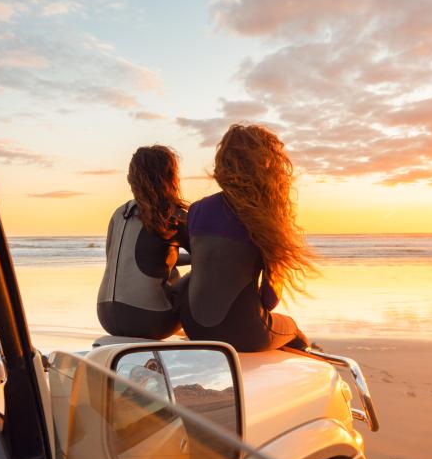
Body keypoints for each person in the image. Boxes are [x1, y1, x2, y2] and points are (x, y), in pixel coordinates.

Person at [179, 123, 314, 352]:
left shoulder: (196, 209)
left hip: (194, 328)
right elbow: (270, 299)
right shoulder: (264, 215)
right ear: (270, 165)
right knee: (292, 328)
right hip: (244, 334)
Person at [97, 145, 190, 339]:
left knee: (172, 273)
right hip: (150, 322)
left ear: (132, 178)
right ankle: (204, 326)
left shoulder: (119, 213)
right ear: (169, 176)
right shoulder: (170, 215)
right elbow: (207, 257)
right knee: (196, 275)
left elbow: (133, 258)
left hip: (106, 316)